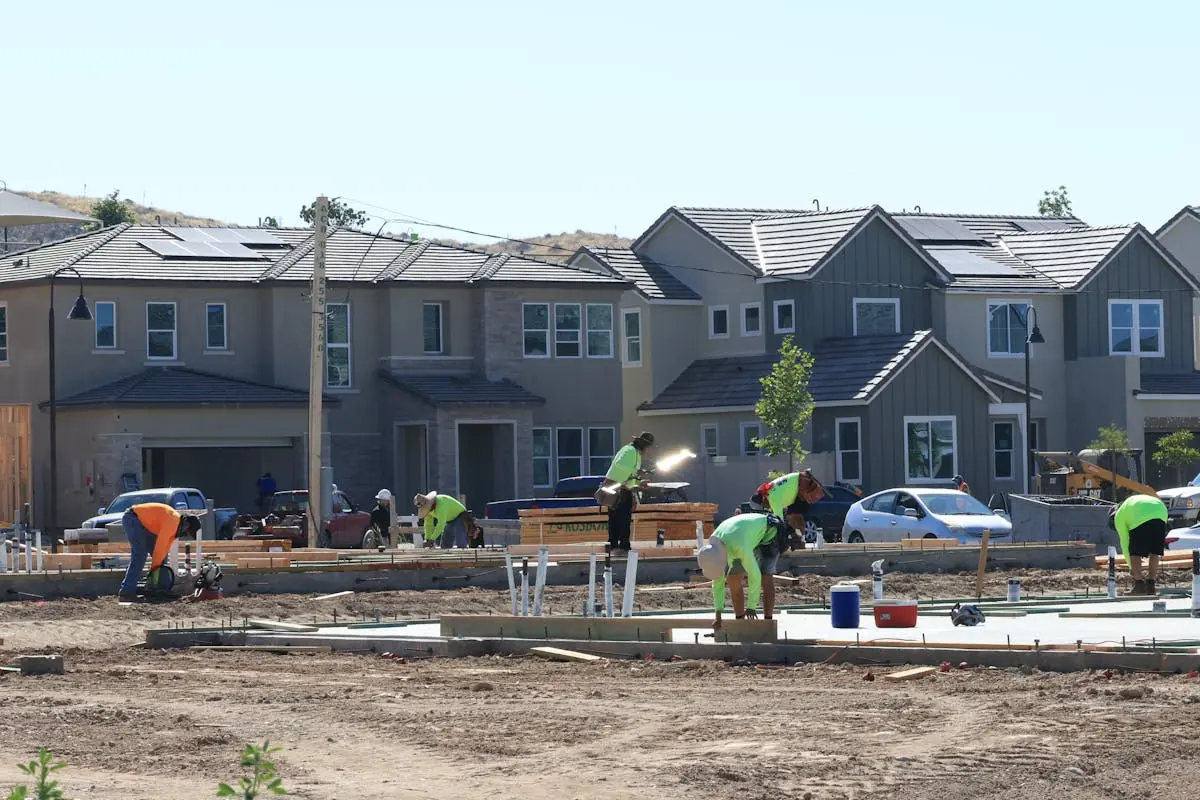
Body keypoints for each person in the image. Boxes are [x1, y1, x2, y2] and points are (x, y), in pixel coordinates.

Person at [695, 513, 788, 630]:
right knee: (732, 579)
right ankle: (740, 623)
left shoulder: (739, 547)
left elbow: (755, 576)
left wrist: (751, 607)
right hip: (742, 537)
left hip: (769, 533)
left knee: (765, 576)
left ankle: (767, 624)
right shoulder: (713, 550)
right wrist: (718, 616)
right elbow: (717, 583)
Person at [118, 502, 202, 602]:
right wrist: (153, 571)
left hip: (145, 523)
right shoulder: (172, 523)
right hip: (134, 518)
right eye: (187, 532)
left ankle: (162, 589)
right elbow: (158, 549)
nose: (185, 534)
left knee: (162, 559)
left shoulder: (174, 527)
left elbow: (163, 551)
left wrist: (155, 571)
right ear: (186, 525)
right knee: (140, 555)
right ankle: (126, 592)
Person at [600, 431, 655, 556]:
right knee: (621, 518)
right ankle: (622, 547)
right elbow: (620, 464)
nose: (648, 450)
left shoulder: (635, 454)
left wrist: (639, 483)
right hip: (617, 488)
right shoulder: (629, 451)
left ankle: (614, 546)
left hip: (620, 487)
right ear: (644, 446)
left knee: (617, 518)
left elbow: (629, 476)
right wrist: (637, 471)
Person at [1110, 494, 1169, 596]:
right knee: (1155, 552)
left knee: (1135, 552)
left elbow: (1125, 544)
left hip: (1141, 514)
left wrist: (1131, 568)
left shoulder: (1118, 516)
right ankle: (1151, 586)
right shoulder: (1128, 506)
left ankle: (1139, 586)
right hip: (1161, 511)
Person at [755, 469, 827, 540]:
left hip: (801, 491)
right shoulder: (770, 490)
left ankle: (800, 539)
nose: (765, 507)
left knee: (794, 518)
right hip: (798, 489)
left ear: (763, 501)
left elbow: (779, 520)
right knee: (792, 519)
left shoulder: (772, 497)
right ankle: (800, 538)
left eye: (763, 506)